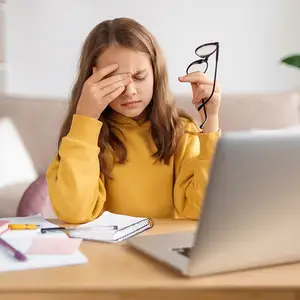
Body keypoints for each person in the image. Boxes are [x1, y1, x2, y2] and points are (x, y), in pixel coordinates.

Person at [46, 17, 221, 224]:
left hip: (160, 248)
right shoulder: (82, 137)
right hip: (108, 252)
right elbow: (74, 212)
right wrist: (85, 118)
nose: (130, 91)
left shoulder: (181, 131)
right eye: (115, 81)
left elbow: (203, 208)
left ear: (156, 74)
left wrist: (210, 120)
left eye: (139, 77)